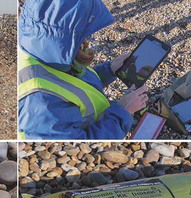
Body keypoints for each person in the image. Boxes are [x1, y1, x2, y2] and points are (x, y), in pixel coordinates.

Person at [18, 0, 149, 139]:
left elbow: (71, 82)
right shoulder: (40, 104)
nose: (87, 41)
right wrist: (123, 112)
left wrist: (109, 70)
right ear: (64, 38)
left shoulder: (39, 50)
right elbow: (77, 144)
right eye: (83, 33)